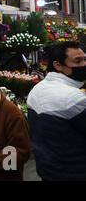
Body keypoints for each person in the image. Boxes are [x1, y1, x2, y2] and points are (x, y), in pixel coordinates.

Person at [27, 41, 86, 181]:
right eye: (77, 61)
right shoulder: (73, 98)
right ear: (58, 65)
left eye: (85, 59)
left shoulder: (37, 90)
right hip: (75, 172)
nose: (83, 64)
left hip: (47, 169)